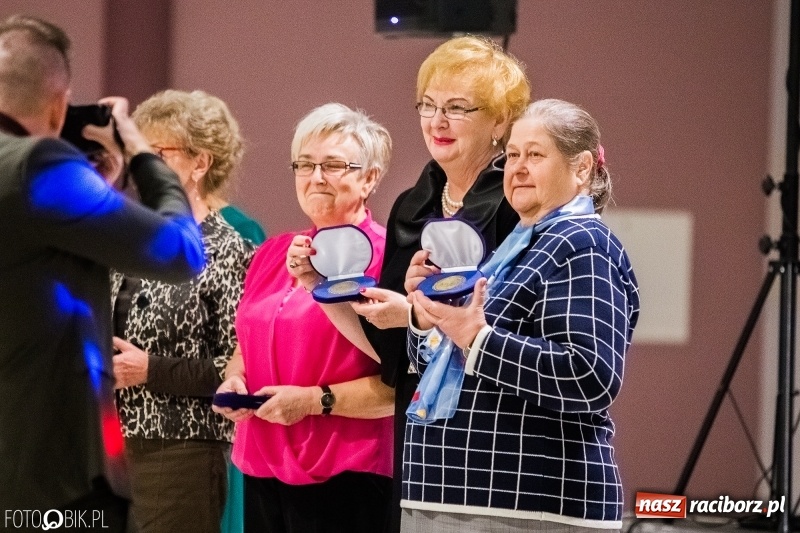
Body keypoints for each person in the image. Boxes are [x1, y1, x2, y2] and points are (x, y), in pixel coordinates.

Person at [290, 35, 530, 532]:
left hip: (497, 437)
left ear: (500, 122)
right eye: (428, 105)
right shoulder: (411, 207)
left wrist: (417, 315)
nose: (437, 121)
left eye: (457, 108)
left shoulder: (519, 207)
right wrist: (320, 287)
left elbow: (511, 329)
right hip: (421, 443)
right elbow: (388, 353)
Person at [0, 14, 205, 526]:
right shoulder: (38, 163)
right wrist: (142, 154)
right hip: (48, 473)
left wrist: (98, 190)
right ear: (58, 105)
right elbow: (181, 252)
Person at [401, 98, 641, 532]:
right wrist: (425, 316)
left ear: (581, 168)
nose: (518, 168)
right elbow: (443, 361)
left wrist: (478, 340)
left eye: (535, 155)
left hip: (529, 505)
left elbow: (591, 375)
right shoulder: (513, 251)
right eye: (512, 155)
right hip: (451, 495)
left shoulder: (584, 244)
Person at [214, 103, 395, 533]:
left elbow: (400, 383)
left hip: (347, 472)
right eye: (305, 164)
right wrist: (235, 379)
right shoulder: (273, 252)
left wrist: (313, 401)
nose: (316, 177)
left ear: (370, 178)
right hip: (262, 463)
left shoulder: (387, 257)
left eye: (333, 165)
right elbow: (247, 343)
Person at [109, 89, 255, 533]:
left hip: (182, 451)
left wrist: (150, 369)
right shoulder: (126, 238)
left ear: (200, 163)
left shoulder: (230, 250)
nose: (144, 167)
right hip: (109, 445)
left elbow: (238, 370)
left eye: (159, 154)